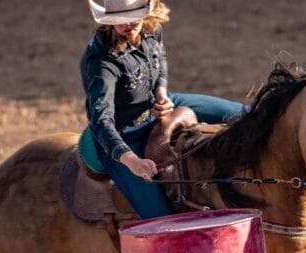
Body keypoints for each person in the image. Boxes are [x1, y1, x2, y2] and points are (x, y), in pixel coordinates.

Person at [81, 0, 245, 218]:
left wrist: (161, 91)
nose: (127, 25)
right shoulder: (101, 64)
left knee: (249, 114)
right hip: (125, 133)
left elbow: (160, 59)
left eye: (133, 18)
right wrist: (132, 161)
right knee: (162, 220)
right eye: (118, 20)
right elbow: (101, 120)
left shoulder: (152, 29)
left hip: (158, 105)